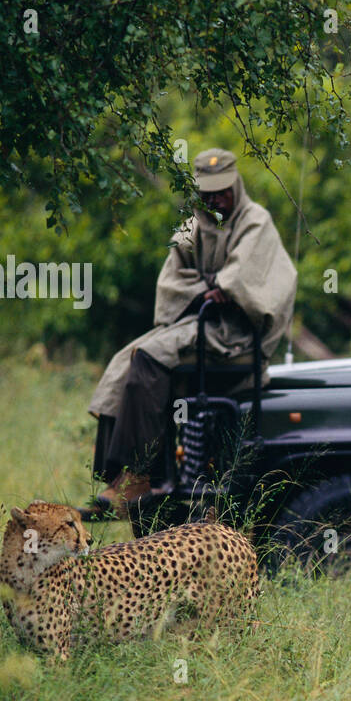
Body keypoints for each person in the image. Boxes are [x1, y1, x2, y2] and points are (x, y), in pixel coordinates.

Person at [85, 148, 297, 513]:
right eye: (207, 192)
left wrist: (218, 287)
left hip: (236, 337)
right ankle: (116, 477)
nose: (215, 199)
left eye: (222, 191)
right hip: (196, 326)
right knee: (125, 363)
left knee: (150, 359)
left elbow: (243, 282)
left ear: (236, 185)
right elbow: (170, 282)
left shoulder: (255, 221)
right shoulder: (192, 223)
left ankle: (141, 474)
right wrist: (210, 285)